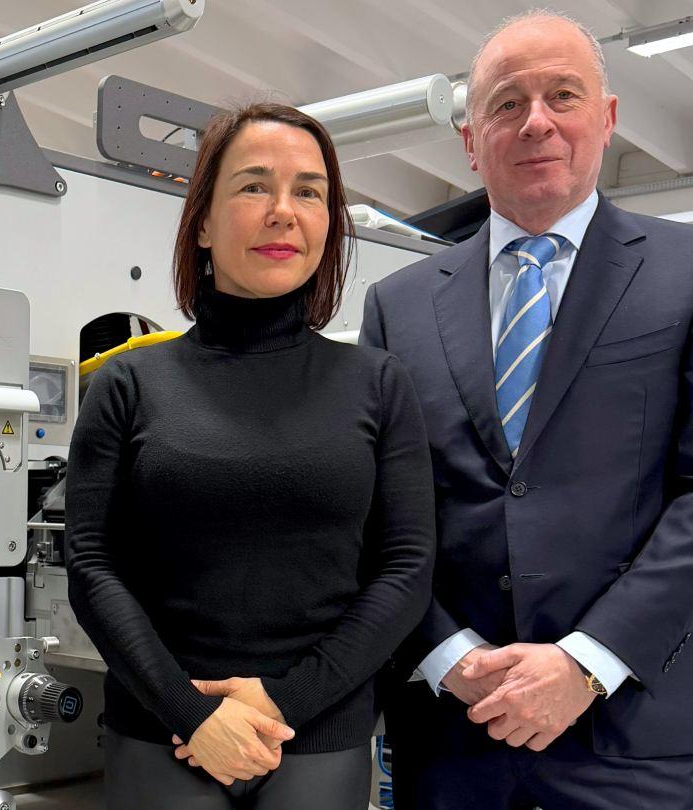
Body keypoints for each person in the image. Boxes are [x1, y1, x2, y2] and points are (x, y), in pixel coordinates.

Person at [360, 11, 693, 809]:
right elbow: (383, 507)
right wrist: (445, 654)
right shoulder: (397, 306)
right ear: (471, 141)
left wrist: (587, 661)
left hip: (633, 733)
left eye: (563, 95)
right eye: (506, 104)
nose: (536, 120)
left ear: (607, 120)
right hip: (453, 730)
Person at [65, 101, 435, 810]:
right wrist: (189, 712)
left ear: (329, 225)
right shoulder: (129, 384)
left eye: (308, 192)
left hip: (318, 733)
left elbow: (406, 571)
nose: (282, 211)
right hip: (162, 732)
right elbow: (91, 565)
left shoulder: (378, 385)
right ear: (202, 221)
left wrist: (281, 701)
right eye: (253, 186)